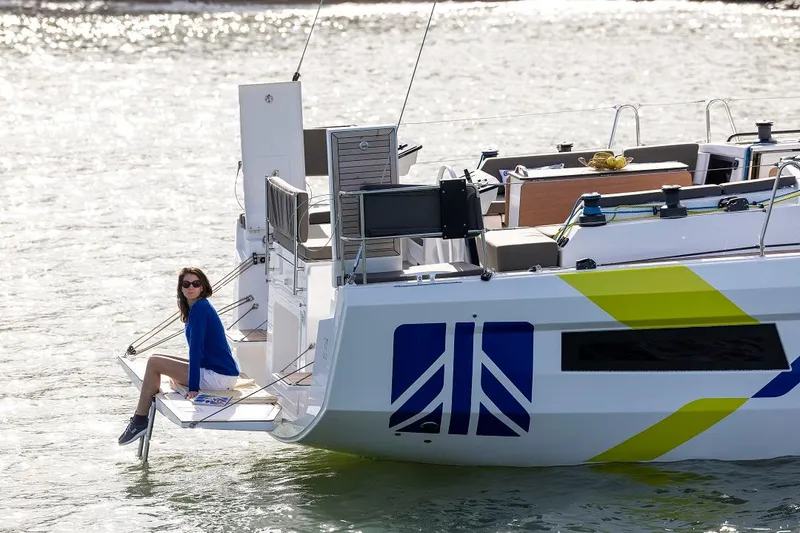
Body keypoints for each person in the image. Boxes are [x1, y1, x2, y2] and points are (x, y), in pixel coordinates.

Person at [118, 267, 241, 446]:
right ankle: (144, 408)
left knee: (154, 363)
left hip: (219, 376)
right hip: (219, 372)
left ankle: (139, 420)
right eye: (186, 284)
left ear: (202, 287)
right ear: (181, 289)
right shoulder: (197, 308)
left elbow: (196, 350)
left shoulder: (200, 309)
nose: (191, 287)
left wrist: (193, 388)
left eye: (195, 284)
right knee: (156, 358)